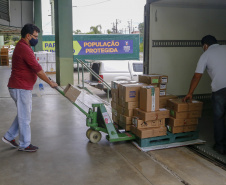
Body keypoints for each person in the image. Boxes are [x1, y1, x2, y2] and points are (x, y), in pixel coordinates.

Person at [2, 23, 58, 152]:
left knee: (23, 114)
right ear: (28, 36)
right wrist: (50, 83)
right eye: (35, 36)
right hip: (20, 87)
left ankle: (9, 136)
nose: (36, 39)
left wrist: (48, 79)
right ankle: (24, 144)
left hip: (21, 87)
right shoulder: (24, 49)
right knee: (25, 117)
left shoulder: (24, 47)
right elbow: (38, 70)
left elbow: (36, 68)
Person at [183, 35, 226, 155]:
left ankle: (221, 147)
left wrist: (190, 93)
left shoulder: (206, 54)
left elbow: (197, 76)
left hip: (220, 91)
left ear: (205, 45)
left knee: (219, 118)